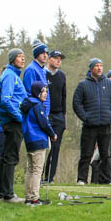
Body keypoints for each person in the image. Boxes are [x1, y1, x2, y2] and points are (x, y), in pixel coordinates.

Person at [73, 58, 111, 185]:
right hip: (90, 126)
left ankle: (106, 179)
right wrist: (85, 117)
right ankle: (82, 179)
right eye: (96, 66)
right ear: (91, 68)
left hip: (105, 124)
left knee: (106, 154)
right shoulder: (83, 85)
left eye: (101, 66)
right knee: (86, 153)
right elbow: (77, 103)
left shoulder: (109, 84)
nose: (99, 68)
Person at [0, 49, 27, 204]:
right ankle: (8, 194)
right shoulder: (9, 76)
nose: (23, 59)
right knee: (11, 157)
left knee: (7, 156)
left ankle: (0, 193)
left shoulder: (13, 75)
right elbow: (5, 100)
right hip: (12, 122)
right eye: (20, 57)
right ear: (13, 59)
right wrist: (19, 117)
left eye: (24, 57)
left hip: (11, 121)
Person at [21, 81, 56, 205]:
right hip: (38, 139)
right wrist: (52, 134)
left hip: (29, 139)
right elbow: (43, 123)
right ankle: (35, 198)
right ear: (37, 92)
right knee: (37, 170)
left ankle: (28, 197)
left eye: (46, 91)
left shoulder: (27, 104)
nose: (45, 94)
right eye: (43, 91)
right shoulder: (37, 105)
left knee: (30, 169)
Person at [43, 50, 67, 184]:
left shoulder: (62, 76)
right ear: (49, 59)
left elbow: (64, 96)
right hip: (45, 114)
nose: (58, 61)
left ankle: (49, 177)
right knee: (42, 147)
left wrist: (63, 116)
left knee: (55, 148)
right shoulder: (42, 74)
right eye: (56, 58)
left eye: (60, 59)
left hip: (58, 115)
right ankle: (38, 176)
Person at [23, 40, 51, 120]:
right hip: (36, 112)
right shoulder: (31, 69)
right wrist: (39, 112)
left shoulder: (43, 70)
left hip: (43, 112)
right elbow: (29, 93)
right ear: (37, 54)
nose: (45, 56)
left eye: (47, 53)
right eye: (42, 53)